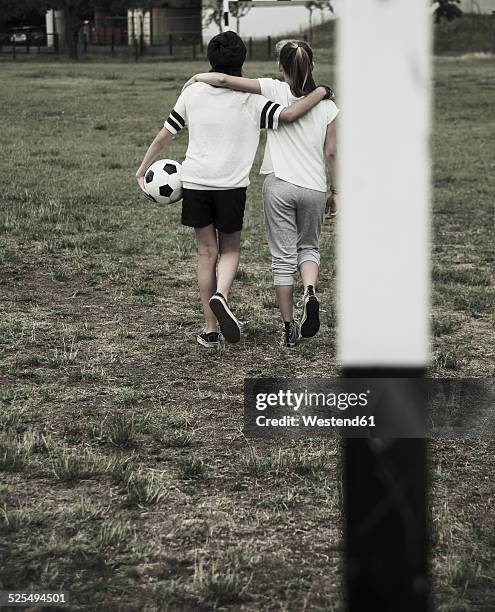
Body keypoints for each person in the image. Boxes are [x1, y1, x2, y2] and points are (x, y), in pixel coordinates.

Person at [136, 32, 333, 349]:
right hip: (231, 187)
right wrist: (323, 91)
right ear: (242, 61)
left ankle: (211, 330)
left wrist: (143, 167)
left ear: (210, 60)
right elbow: (293, 114)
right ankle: (221, 294)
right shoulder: (255, 100)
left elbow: (164, 135)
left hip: (196, 183)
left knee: (205, 253)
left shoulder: (193, 92)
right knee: (229, 250)